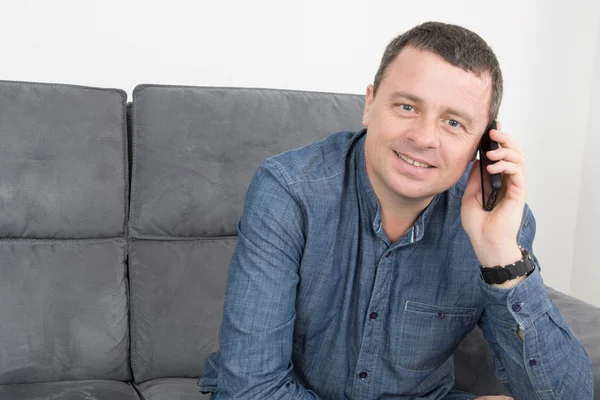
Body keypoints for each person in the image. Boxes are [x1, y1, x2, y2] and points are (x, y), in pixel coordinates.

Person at [198, 21, 593, 399]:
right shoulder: (288, 191)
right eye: (406, 107)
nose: (423, 137)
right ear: (370, 105)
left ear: (484, 145)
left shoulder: (501, 223)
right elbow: (251, 389)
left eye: (454, 122)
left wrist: (501, 256)